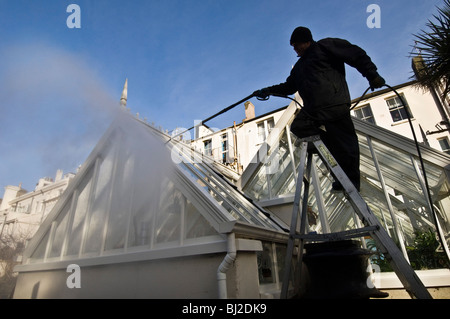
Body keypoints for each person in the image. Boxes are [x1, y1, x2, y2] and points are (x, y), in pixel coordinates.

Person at [254, 27, 385, 192]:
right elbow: (288, 86)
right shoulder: (299, 67)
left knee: (346, 145)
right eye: (293, 46)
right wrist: (268, 90)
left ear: (307, 41)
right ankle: (327, 146)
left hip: (334, 104)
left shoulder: (325, 46)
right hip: (313, 111)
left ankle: (350, 182)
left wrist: (372, 75)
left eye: (297, 45)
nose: (295, 49)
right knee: (298, 126)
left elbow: (355, 54)